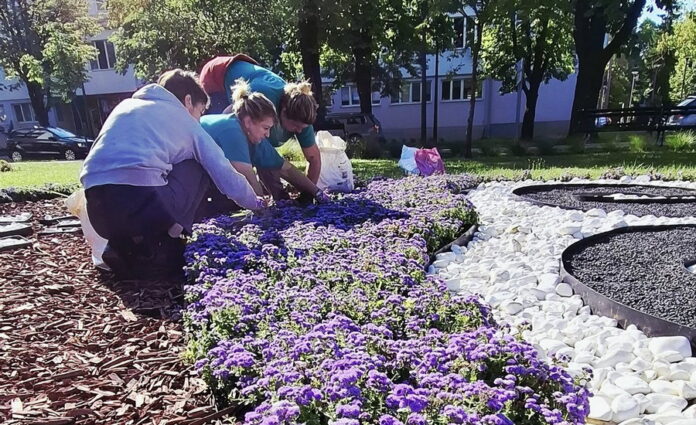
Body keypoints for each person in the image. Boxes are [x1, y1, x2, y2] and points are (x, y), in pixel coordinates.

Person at [80, 69, 264, 279]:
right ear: (188, 101)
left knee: (153, 171)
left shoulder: (125, 106)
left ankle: (120, 246)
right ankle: (167, 243)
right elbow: (224, 172)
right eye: (200, 112)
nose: (199, 120)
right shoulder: (184, 120)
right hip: (141, 204)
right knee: (197, 164)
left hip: (96, 210)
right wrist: (256, 204)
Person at [199, 55, 321, 185]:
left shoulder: (302, 115)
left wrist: (309, 193)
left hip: (247, 75)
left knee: (261, 143)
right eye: (295, 126)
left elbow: (314, 158)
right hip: (217, 76)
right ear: (284, 111)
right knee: (245, 142)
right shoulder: (262, 95)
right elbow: (229, 121)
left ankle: (271, 190)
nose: (299, 131)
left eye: (303, 128)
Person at [201, 79, 329, 202]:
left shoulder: (255, 138)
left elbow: (286, 169)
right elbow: (248, 178)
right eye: (266, 128)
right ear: (248, 122)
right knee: (226, 199)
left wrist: (316, 193)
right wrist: (264, 210)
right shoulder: (233, 131)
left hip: (208, 169)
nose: (268, 135)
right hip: (194, 167)